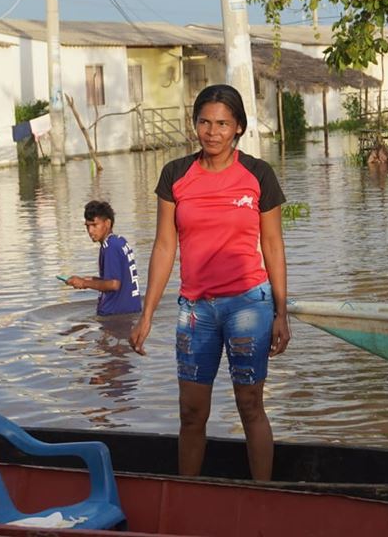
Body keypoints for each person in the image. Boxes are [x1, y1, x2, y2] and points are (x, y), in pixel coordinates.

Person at [130, 84, 290, 481]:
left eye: (222, 123)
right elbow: (166, 246)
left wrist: (281, 311)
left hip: (249, 305)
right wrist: (146, 313)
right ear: (194, 124)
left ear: (238, 128)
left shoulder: (257, 174)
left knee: (250, 404)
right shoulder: (175, 174)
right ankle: (187, 494)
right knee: (191, 411)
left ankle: (262, 497)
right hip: (195, 310)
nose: (212, 131)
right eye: (205, 121)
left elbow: (272, 244)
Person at [66, 200, 142, 316]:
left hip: (115, 315)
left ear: (107, 223)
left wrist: (84, 283)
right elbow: (118, 279)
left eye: (95, 225)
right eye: (88, 226)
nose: (90, 231)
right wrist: (90, 280)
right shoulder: (119, 241)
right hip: (130, 311)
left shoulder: (109, 246)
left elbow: (113, 284)